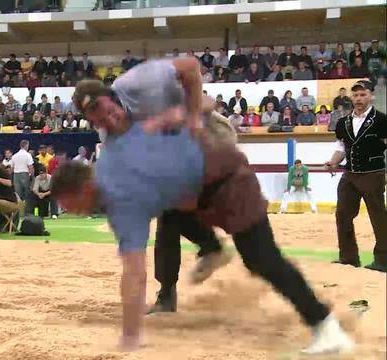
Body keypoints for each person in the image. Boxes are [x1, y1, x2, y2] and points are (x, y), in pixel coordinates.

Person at [59, 58, 354, 354]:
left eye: (105, 111)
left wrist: (190, 116)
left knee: (261, 258)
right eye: (97, 121)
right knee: (167, 210)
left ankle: (325, 326)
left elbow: (188, 66)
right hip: (193, 184)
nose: (107, 121)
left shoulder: (136, 84)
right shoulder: (115, 149)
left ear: (111, 96)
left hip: (215, 150)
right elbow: (134, 266)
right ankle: (206, 252)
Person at [325, 80, 387, 272]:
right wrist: (333, 162)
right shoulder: (343, 122)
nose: (359, 99)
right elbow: (341, 147)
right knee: (342, 214)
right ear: (351, 97)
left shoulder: (382, 120)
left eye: (363, 95)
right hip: (349, 175)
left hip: (373, 174)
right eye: (356, 95)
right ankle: (348, 257)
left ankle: (383, 261)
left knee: (378, 217)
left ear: (371, 96)